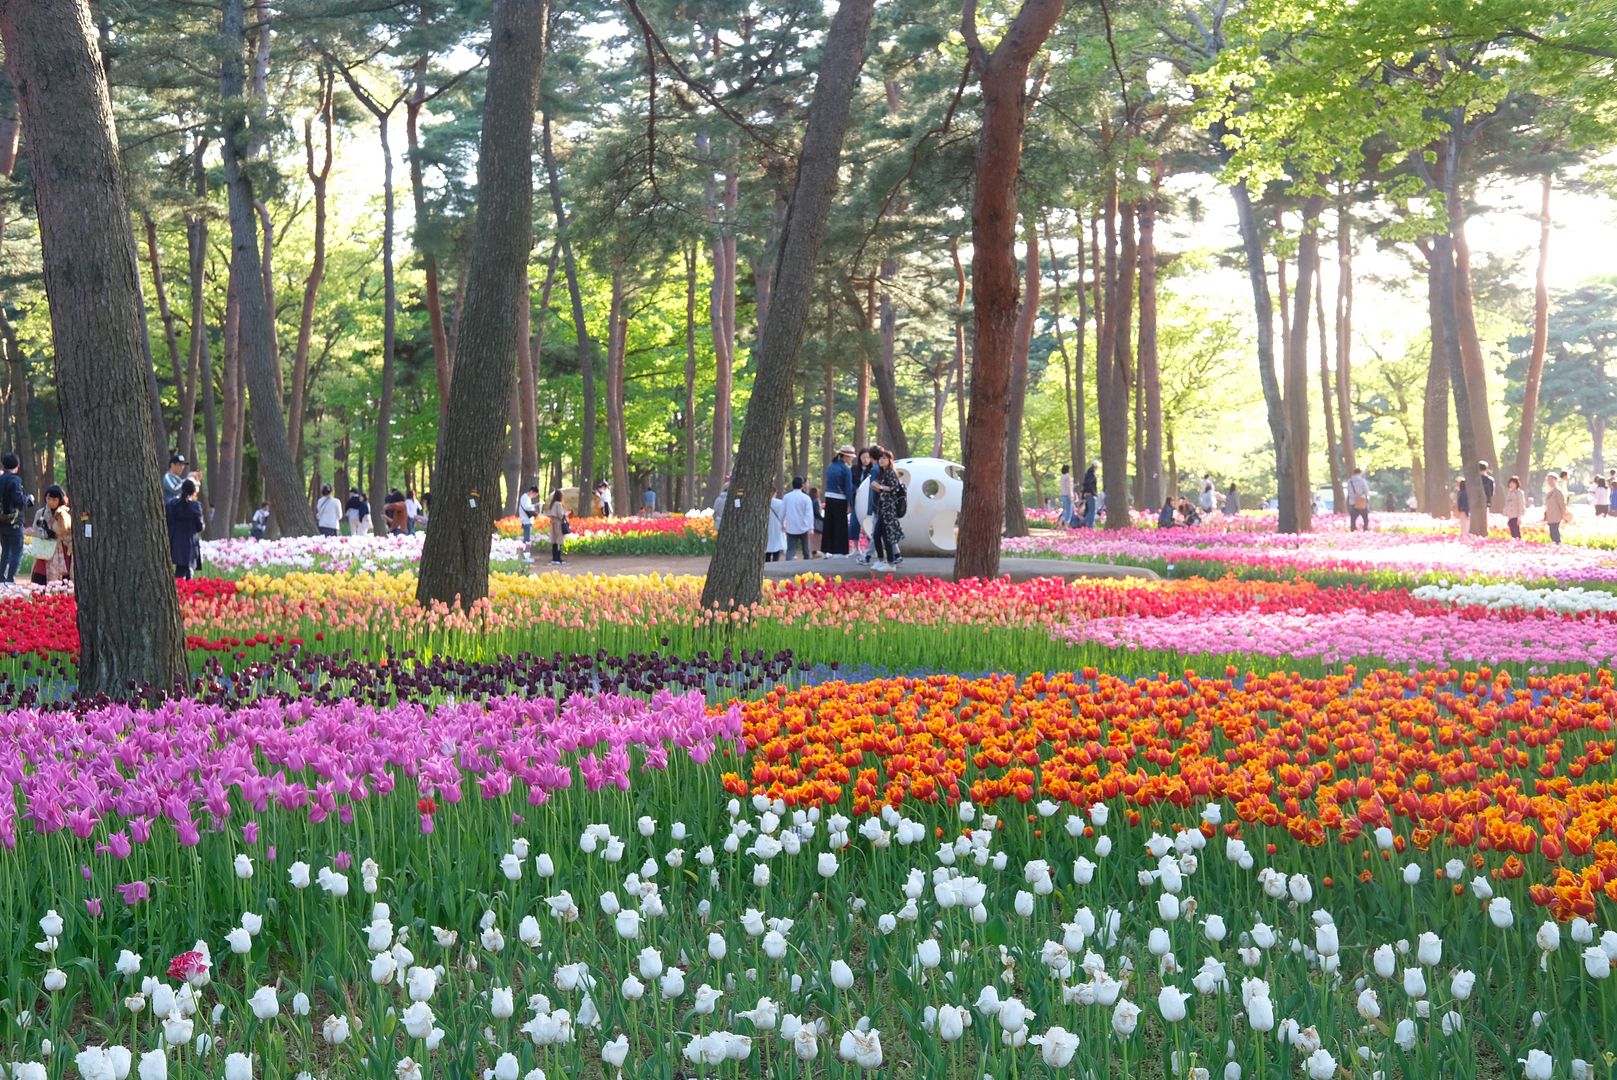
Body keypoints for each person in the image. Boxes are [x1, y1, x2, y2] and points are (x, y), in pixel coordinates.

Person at [869, 448, 905, 570]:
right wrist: (878, 487)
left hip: (889, 509)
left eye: (884, 458)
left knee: (886, 536)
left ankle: (891, 563)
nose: (881, 460)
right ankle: (881, 560)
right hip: (883, 508)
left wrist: (880, 487)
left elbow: (895, 488)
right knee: (877, 535)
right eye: (880, 458)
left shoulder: (890, 472)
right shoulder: (882, 473)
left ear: (890, 460)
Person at [28, 485, 72, 585]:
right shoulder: (41, 513)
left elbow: (69, 533)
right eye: (48, 498)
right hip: (45, 551)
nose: (50, 502)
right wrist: (45, 534)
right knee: (40, 578)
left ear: (60, 499)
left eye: (54, 499)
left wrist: (59, 534)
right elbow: (35, 531)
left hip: (62, 551)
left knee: (64, 579)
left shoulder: (66, 513)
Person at [166, 477, 205, 580]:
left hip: (176, 541)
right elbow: (200, 526)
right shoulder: (196, 506)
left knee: (181, 570)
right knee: (186, 571)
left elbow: (169, 522)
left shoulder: (172, 504)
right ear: (193, 492)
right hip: (190, 542)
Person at [0, 453, 28, 586]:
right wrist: (28, 499)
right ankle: (10, 579)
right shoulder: (15, 480)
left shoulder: (0, 479)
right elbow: (18, 501)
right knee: (16, 550)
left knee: (5, 551)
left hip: (2, 522)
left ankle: (1, 579)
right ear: (17, 466)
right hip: (14, 521)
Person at [822, 445, 855, 556]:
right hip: (840, 499)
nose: (851, 459)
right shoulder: (846, 469)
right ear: (845, 457)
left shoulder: (831, 466)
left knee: (829, 524)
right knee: (840, 526)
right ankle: (840, 550)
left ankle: (827, 550)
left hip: (829, 498)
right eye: (850, 457)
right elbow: (848, 488)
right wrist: (850, 504)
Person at [782, 476, 814, 561]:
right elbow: (809, 514)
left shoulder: (786, 497)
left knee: (790, 550)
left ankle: (787, 568)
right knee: (806, 551)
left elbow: (782, 511)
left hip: (791, 527)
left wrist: (782, 523)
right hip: (804, 526)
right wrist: (811, 527)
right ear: (802, 485)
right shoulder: (806, 498)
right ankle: (807, 569)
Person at [545, 488, 568, 565]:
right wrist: (566, 514)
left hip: (553, 524)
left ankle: (555, 558)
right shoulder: (558, 504)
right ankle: (557, 558)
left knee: (554, 541)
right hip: (558, 524)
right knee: (558, 541)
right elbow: (560, 515)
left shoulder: (553, 504)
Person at [1544, 471, 1568, 544]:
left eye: (1551, 479)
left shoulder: (1558, 491)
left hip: (1556, 515)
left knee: (1555, 532)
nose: (1549, 481)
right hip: (1550, 516)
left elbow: (1562, 504)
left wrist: (1564, 514)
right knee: (1552, 533)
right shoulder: (1549, 491)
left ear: (1555, 480)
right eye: (1548, 480)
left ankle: (1558, 546)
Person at [1346, 467, 1371, 532]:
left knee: (1353, 519)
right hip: (1361, 502)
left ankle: (1353, 530)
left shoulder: (1349, 481)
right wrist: (1366, 497)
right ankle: (1365, 529)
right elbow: (1366, 491)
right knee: (1365, 518)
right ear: (1360, 473)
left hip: (1353, 502)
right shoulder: (1362, 481)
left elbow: (1349, 492)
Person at [765, 486, 787, 563]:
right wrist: (784, 525)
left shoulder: (763, 503)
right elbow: (783, 515)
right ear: (774, 493)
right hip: (777, 526)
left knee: (767, 546)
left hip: (766, 527)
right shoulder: (780, 503)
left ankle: (767, 563)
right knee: (776, 546)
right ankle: (775, 562)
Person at [1503, 475, 1527, 540]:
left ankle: (1518, 543)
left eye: (1513, 483)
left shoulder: (1519, 493)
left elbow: (1521, 504)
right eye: (1510, 483)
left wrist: (1519, 517)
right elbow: (1507, 504)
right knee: (1512, 531)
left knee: (1516, 531)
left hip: (1516, 515)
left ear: (1517, 484)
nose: (1511, 484)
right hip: (1510, 515)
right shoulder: (1509, 493)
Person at [517, 484, 539, 553]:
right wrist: (535, 505)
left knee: (527, 538)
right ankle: (525, 553)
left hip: (527, 520)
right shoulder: (525, 497)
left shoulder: (527, 497)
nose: (534, 497)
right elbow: (526, 507)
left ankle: (526, 553)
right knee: (526, 539)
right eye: (535, 495)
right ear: (531, 491)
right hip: (526, 520)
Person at [1080, 462, 1099, 528]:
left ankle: (1090, 525)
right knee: (1092, 511)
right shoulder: (1092, 475)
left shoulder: (1088, 474)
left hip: (1087, 494)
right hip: (1091, 494)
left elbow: (1085, 484)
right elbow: (1089, 484)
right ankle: (1085, 522)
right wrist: (1091, 492)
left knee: (1091, 511)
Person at [809, 485, 824, 557]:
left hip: (811, 522)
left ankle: (813, 553)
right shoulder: (817, 501)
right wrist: (823, 518)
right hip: (817, 522)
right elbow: (818, 512)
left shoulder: (810, 500)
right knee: (819, 539)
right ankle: (818, 553)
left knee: (813, 540)